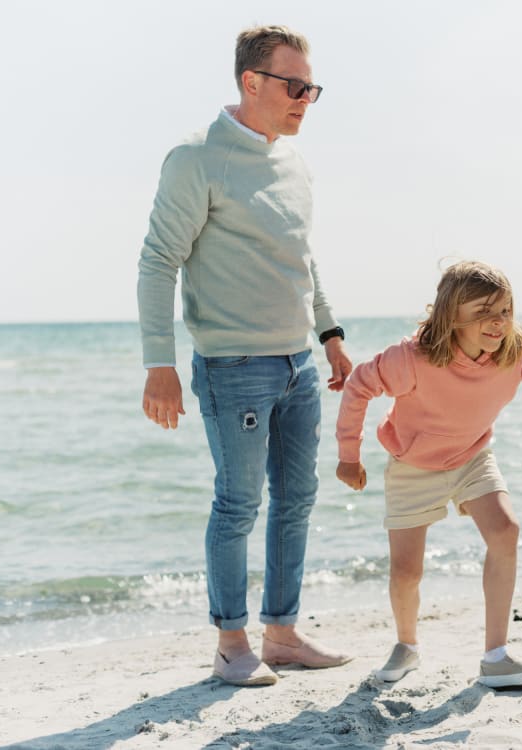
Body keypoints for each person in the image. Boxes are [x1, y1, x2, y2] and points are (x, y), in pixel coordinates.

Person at [137, 25, 354, 687]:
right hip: (234, 368)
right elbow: (158, 262)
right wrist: (160, 364)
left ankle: (282, 634)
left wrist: (330, 334)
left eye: (312, 89)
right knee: (238, 504)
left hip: (298, 365)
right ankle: (233, 643)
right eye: (295, 87)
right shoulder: (195, 158)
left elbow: (302, 258)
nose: (306, 101)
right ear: (251, 82)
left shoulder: (293, 162)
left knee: (297, 499)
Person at [334, 261, 522, 688]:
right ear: (451, 315)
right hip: (413, 467)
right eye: (483, 311)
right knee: (406, 572)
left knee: (505, 530)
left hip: (471, 457)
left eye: (504, 310)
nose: (497, 321)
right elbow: (358, 386)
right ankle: (406, 646)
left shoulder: (511, 349)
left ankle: (496, 657)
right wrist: (349, 456)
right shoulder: (411, 359)